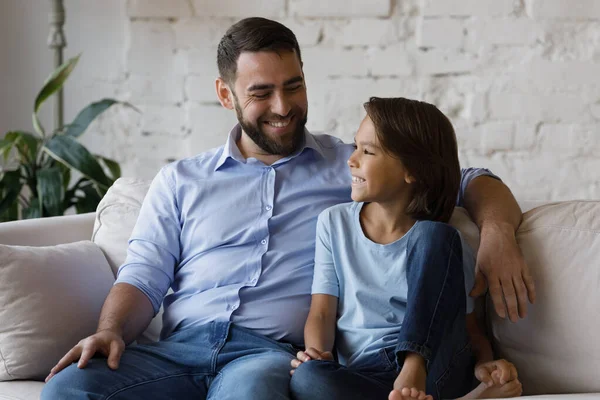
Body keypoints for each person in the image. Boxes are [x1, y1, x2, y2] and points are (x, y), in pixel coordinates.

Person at [41, 17, 534, 400]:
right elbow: (144, 275)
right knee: (66, 388)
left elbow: (462, 178)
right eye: (261, 92)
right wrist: (108, 333)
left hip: (266, 355)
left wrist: (497, 233)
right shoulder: (180, 181)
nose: (283, 106)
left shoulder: (353, 166)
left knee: (249, 392)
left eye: (293, 85)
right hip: (177, 350)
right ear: (224, 94)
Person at [288, 97, 523, 400]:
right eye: (355, 146)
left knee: (434, 234)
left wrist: (483, 363)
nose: (352, 159)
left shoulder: (442, 243)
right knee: (307, 379)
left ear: (412, 170)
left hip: (434, 368)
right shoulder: (333, 224)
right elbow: (321, 312)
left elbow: (469, 328)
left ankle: (415, 365)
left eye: (368, 151)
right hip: (367, 374)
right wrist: (317, 354)